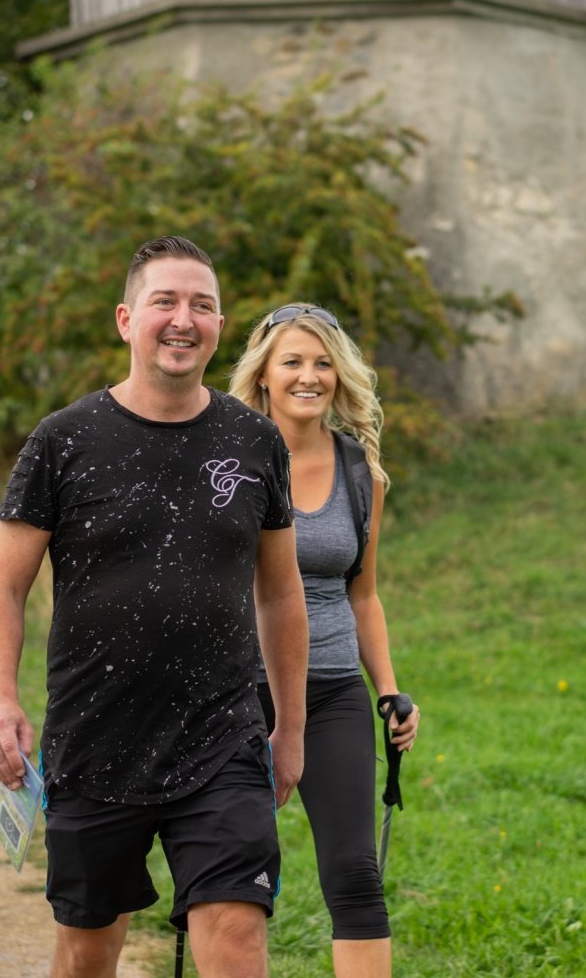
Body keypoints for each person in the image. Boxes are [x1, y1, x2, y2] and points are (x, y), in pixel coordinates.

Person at [0, 236, 309, 978]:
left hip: (224, 738)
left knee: (238, 937)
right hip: (95, 741)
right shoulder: (62, 441)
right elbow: (1, 586)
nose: (184, 319)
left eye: (203, 305)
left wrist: (290, 728)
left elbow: (280, 592)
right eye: (166, 302)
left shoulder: (255, 442)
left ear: (220, 326)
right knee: (89, 955)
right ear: (126, 319)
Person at [229, 303, 420, 978]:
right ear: (264, 375)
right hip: (238, 688)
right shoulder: (228, 458)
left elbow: (362, 594)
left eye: (322, 363)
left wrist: (390, 690)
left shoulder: (359, 472)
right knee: (235, 874)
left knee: (354, 870)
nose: (309, 377)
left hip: (333, 685)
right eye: (293, 362)